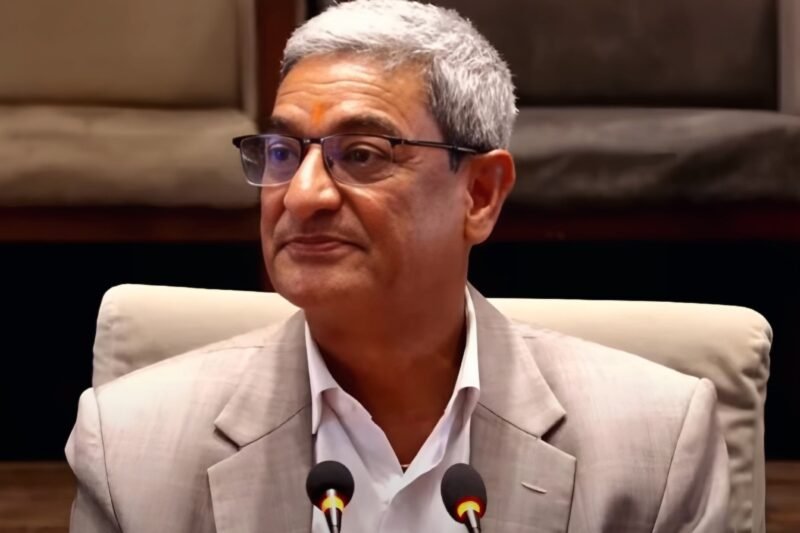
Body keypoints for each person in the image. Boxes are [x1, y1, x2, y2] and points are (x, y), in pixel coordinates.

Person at [66, 1, 729, 531]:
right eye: (283, 153)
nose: (302, 195)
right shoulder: (131, 448)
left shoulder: (655, 444)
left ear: (480, 194)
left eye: (361, 154)